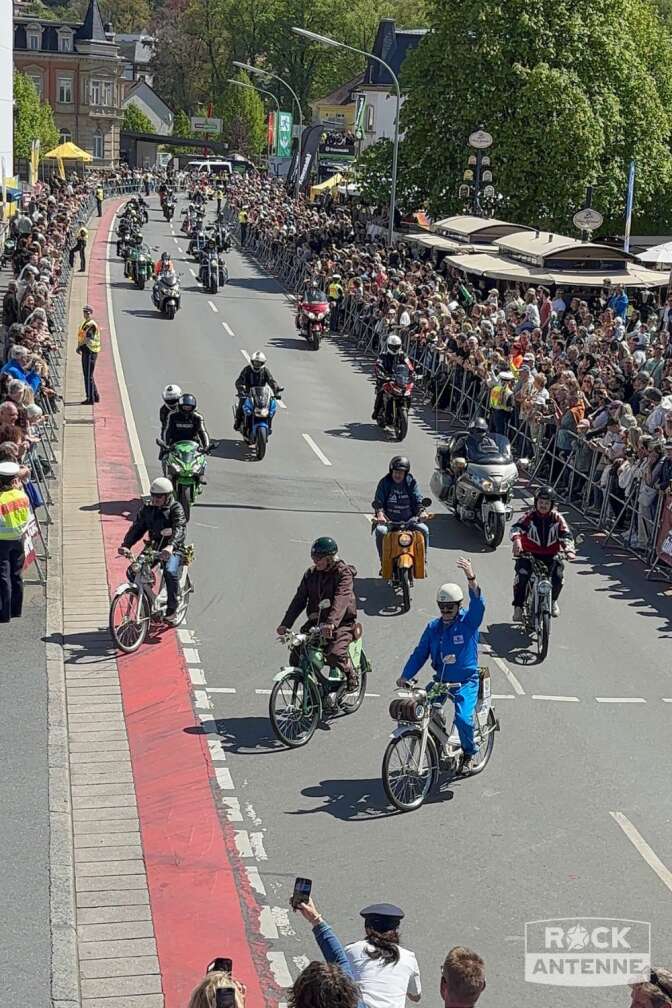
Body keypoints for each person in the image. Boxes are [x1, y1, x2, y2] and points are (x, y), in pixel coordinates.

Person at [396, 557, 484, 772]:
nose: (446, 612)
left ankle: (469, 753)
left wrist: (471, 577)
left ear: (458, 606)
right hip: (442, 682)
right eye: (442, 607)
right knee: (419, 709)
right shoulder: (433, 627)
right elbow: (420, 654)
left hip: (466, 681)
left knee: (463, 720)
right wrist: (405, 676)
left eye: (450, 608)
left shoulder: (469, 623)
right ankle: (439, 741)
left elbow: (478, 604)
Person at [276, 537, 359, 693]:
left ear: (330, 558)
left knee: (334, 654)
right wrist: (285, 624)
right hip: (316, 623)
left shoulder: (343, 573)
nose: (315, 562)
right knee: (297, 653)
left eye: (319, 558)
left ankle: (350, 674)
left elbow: (342, 597)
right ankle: (313, 689)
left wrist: (331, 622)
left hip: (341, 623)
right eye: (313, 558)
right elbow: (299, 600)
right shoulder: (311, 574)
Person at [118, 477, 186, 624]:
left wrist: (171, 546)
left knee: (170, 571)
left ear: (168, 496)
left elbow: (180, 528)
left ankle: (172, 609)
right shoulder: (148, 509)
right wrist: (126, 545)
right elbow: (137, 528)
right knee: (133, 571)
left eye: (159, 497)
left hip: (174, 548)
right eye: (153, 496)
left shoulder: (176, 508)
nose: (155, 499)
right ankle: (148, 601)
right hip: (154, 547)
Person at [511, 486, 576, 622]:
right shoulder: (529, 516)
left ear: (552, 505)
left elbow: (566, 535)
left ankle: (552, 601)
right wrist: (517, 541)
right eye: (541, 502)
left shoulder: (558, 518)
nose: (543, 505)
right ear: (536, 502)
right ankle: (518, 607)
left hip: (551, 555)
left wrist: (569, 550)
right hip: (529, 555)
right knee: (522, 577)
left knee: (558, 577)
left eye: (547, 503)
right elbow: (515, 528)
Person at [345, 903, 421, 1008]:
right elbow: (416, 996)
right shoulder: (408, 957)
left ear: (367, 928)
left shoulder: (351, 951)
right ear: (395, 929)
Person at [372, 456, 429, 568]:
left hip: (409, 520)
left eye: (401, 473)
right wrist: (380, 515)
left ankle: (423, 560)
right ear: (391, 471)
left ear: (405, 473)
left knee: (424, 530)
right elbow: (378, 502)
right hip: (389, 521)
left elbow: (418, 499)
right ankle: (383, 561)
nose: (398, 475)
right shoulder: (385, 483)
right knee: (380, 531)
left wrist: (422, 512)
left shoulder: (410, 482)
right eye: (396, 472)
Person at [0, 460, 31, 623]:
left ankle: (4, 613)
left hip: (2, 541)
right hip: (18, 539)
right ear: (14, 480)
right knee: (16, 574)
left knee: (3, 576)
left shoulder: (1, 499)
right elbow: (27, 517)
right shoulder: (21, 496)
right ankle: (16, 609)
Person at [233, 352, 282, 431]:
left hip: (261, 394)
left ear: (262, 363)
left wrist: (276, 389)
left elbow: (271, 381)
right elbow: (239, 381)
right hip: (248, 394)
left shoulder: (265, 371)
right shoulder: (247, 370)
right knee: (242, 405)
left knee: (271, 408)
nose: (257, 364)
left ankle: (269, 425)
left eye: (259, 363)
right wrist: (241, 389)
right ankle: (238, 422)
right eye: (255, 362)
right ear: (252, 362)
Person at [76, 304, 100, 405]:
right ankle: (95, 395)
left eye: (87, 312)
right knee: (88, 375)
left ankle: (90, 398)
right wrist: (79, 346)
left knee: (88, 376)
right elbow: (81, 336)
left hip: (90, 351)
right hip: (86, 351)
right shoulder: (85, 323)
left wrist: (80, 345)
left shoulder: (91, 325)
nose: (86, 314)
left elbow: (87, 338)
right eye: (85, 312)